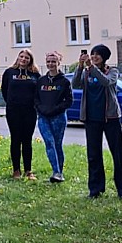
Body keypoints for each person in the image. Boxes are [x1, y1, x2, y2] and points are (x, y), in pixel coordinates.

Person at [72, 45, 122, 199]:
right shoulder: (87, 72)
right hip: (91, 119)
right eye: (92, 54)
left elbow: (106, 82)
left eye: (97, 55)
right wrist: (80, 66)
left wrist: (91, 67)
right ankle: (95, 190)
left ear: (104, 57)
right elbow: (75, 84)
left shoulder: (112, 71)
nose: (94, 57)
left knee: (117, 153)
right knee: (93, 155)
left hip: (110, 118)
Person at [1, 50, 41, 180]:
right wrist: (12, 103)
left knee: (27, 141)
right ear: (18, 58)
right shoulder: (9, 73)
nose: (23, 59)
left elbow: (38, 92)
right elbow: (4, 90)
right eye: (21, 56)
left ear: (30, 60)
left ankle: (28, 171)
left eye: (27, 57)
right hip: (13, 111)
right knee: (15, 139)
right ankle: (16, 170)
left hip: (30, 111)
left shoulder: (35, 74)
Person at [35, 51, 73, 183]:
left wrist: (55, 110)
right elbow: (36, 99)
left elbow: (68, 101)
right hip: (43, 118)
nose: (51, 64)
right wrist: (41, 109)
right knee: (49, 143)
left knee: (57, 144)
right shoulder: (41, 81)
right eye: (49, 61)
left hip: (58, 118)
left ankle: (59, 172)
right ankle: (55, 171)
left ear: (58, 63)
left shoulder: (64, 82)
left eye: (53, 61)